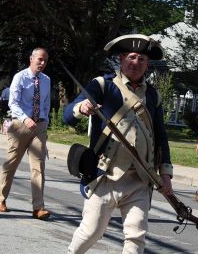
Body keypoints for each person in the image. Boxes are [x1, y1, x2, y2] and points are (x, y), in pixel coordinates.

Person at [63, 34, 173, 253]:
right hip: (104, 175)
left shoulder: (153, 95)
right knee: (91, 231)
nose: (136, 63)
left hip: (140, 178)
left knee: (136, 236)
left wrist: (166, 175)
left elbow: (161, 137)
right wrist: (82, 107)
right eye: (132, 57)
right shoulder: (102, 85)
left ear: (148, 64)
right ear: (122, 59)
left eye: (142, 59)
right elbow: (68, 115)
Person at [0, 47, 51, 220]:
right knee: (11, 163)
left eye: (45, 61)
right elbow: (13, 103)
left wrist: (45, 120)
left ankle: (38, 207)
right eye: (39, 59)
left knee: (38, 167)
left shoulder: (47, 80)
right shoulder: (20, 77)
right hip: (20, 125)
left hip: (39, 126)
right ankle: (0, 199)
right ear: (31, 59)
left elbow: (46, 102)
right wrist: (25, 119)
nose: (42, 63)